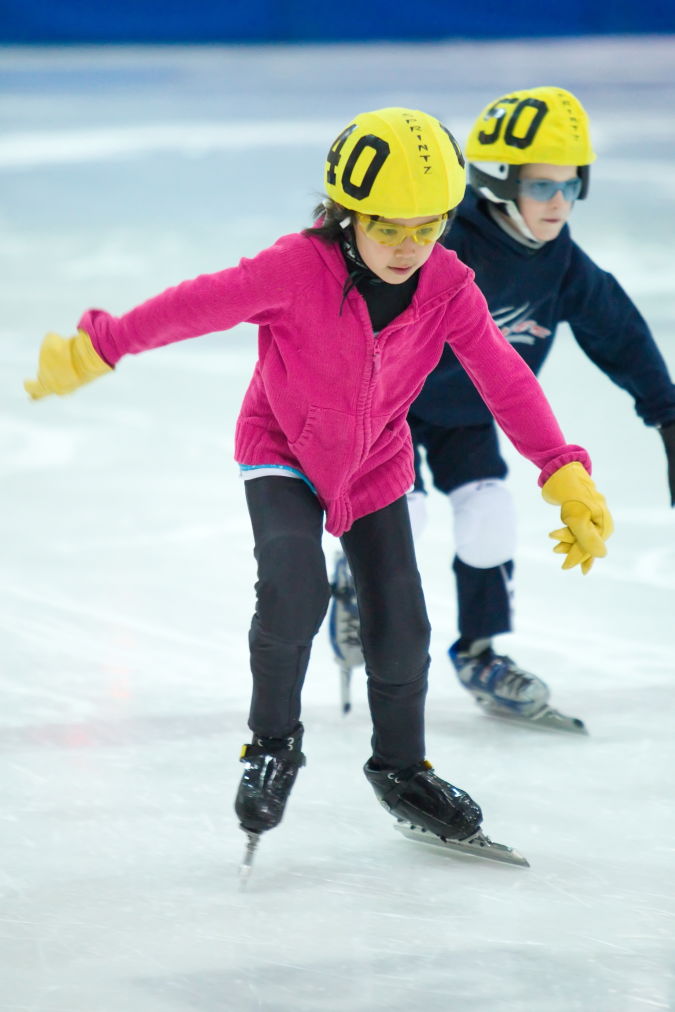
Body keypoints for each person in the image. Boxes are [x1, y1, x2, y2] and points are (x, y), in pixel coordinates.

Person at [25, 107, 613, 866]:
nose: (410, 247)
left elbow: (502, 376)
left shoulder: (446, 283)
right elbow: (192, 305)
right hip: (284, 450)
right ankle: (272, 745)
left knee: (401, 628)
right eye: (390, 228)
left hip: (374, 462)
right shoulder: (294, 269)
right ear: (349, 215)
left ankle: (404, 770)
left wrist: (561, 468)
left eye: (427, 228)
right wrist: (100, 346)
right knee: (293, 583)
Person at [331, 88, 674, 730]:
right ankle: (355, 577)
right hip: (391, 410)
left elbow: (617, 329)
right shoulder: (437, 241)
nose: (559, 205)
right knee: (408, 513)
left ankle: (481, 652)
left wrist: (667, 412)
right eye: (543, 187)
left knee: (490, 516)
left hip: (466, 413)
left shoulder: (561, 261)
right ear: (496, 181)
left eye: (573, 188)